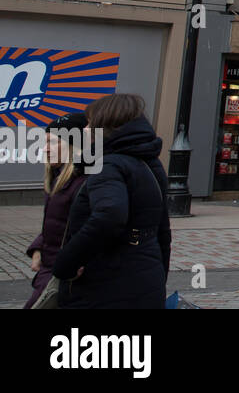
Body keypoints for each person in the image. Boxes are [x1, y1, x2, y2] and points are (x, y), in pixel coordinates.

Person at [51, 94, 172, 309]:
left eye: (90, 123)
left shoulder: (108, 165)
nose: (85, 130)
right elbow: (162, 230)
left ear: (104, 127)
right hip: (144, 278)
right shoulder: (148, 163)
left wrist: (66, 262)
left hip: (106, 285)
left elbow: (109, 215)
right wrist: (158, 275)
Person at [24, 112, 89, 309]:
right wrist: (37, 247)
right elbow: (55, 223)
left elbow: (90, 229)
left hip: (64, 273)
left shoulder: (83, 183)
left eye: (52, 142)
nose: (45, 149)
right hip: (50, 268)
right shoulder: (58, 178)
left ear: (72, 146)